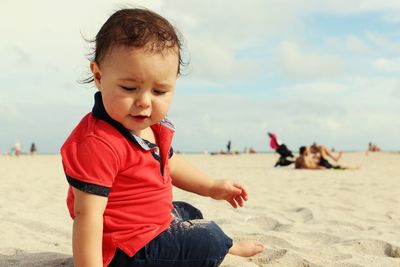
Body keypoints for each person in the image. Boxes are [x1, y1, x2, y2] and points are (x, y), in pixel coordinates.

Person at [60, 8, 264, 267]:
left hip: (150, 226)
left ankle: (224, 245)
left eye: (159, 91)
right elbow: (87, 215)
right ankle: (226, 246)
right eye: (129, 88)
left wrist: (211, 186)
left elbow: (170, 163)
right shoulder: (98, 142)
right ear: (99, 76)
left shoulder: (153, 127)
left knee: (186, 211)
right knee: (208, 236)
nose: (144, 102)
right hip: (125, 249)